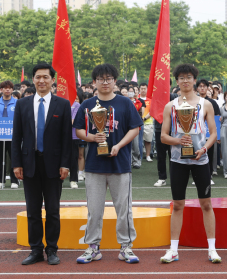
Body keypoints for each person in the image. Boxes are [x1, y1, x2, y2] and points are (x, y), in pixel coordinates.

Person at [73, 64, 143, 264]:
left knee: (124, 209)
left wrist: (119, 145)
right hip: (94, 165)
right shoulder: (87, 105)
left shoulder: (125, 103)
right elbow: (78, 129)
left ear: (114, 81)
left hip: (120, 165)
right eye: (101, 79)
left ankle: (126, 247)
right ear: (94, 82)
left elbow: (135, 128)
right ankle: (93, 247)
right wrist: (92, 138)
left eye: (109, 79)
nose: (105, 82)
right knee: (94, 210)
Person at [159, 64, 220, 264]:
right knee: (178, 205)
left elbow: (213, 133)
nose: (185, 80)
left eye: (189, 77)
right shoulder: (170, 106)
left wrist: (204, 149)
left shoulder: (206, 104)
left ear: (195, 80)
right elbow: (163, 136)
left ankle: (212, 249)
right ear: (177, 81)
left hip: (201, 160)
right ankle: (173, 250)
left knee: (206, 204)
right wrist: (178, 141)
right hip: (178, 160)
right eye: (181, 77)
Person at [12, 62, 72, 266]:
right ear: (33, 79)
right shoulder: (22, 104)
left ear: (52, 80)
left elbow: (66, 138)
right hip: (29, 163)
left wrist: (65, 164)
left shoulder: (62, 104)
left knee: (53, 210)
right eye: (38, 77)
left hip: (54, 165)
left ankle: (52, 249)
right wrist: (16, 163)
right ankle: (36, 250)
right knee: (33, 211)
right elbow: (16, 137)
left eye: (46, 77)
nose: (42, 80)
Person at [0, 81, 19, 189]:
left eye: (9, 88)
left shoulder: (17, 102)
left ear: (12, 90)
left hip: (13, 135)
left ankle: (14, 180)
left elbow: (20, 118)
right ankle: (0, 180)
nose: (7, 90)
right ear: (1, 90)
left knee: (14, 157)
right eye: (5, 88)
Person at [69, 89, 84, 189]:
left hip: (73, 136)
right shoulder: (60, 103)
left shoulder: (76, 105)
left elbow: (72, 121)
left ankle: (73, 180)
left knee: (73, 158)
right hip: (60, 136)